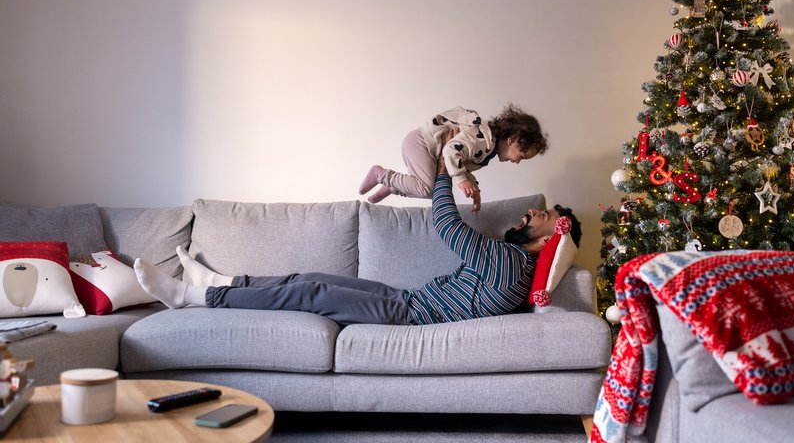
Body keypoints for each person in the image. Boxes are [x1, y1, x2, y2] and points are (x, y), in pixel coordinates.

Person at [134, 157, 579, 327]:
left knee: (312, 293)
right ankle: (224, 280)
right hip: (405, 297)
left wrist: (444, 170)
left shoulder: (511, 264)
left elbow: (446, 226)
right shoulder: (511, 261)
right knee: (307, 277)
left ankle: (190, 297)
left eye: (546, 217)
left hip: (406, 314)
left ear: (549, 243)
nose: (536, 213)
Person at [358, 104, 548, 212]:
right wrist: (461, 180)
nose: (516, 162)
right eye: (521, 156)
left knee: (429, 189)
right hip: (421, 143)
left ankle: (393, 186)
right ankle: (381, 174)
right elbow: (451, 151)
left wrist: (474, 188)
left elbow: (462, 164)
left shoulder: (487, 148)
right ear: (513, 139)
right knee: (427, 188)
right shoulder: (483, 139)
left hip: (424, 148)